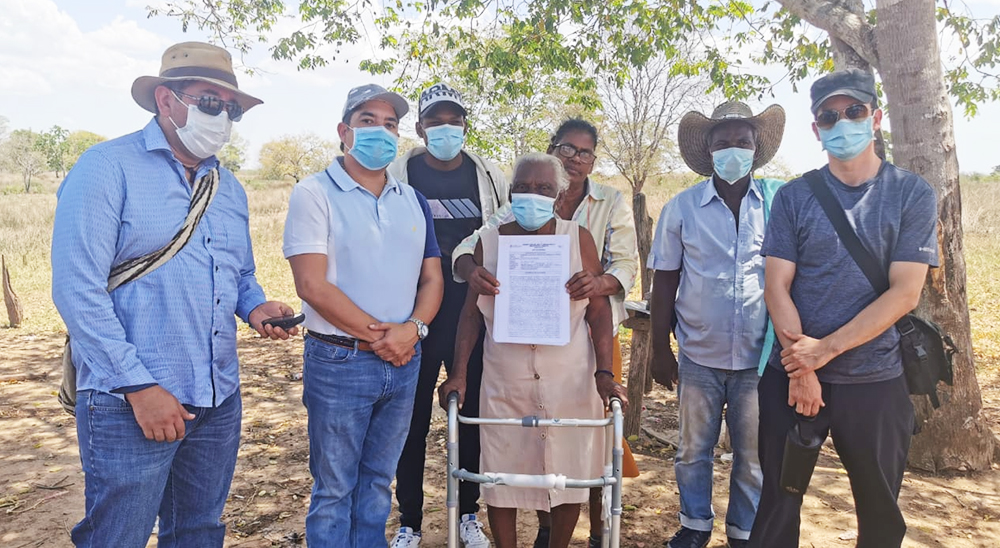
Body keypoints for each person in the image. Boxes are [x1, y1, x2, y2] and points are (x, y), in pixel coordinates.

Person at [51, 41, 297, 548]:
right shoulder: (105, 167)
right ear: (166, 100)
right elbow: (77, 291)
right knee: (118, 534)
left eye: (231, 109)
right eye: (210, 102)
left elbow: (239, 274)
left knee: (199, 531)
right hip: (129, 401)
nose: (223, 117)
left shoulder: (229, 188)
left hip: (217, 395)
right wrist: (139, 388)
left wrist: (255, 306)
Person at [749, 68, 939, 548]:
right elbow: (777, 288)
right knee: (777, 505)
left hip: (874, 381)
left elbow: (905, 292)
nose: (842, 123)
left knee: (879, 513)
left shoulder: (911, 194)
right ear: (816, 130)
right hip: (793, 381)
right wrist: (801, 369)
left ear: (874, 118)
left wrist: (823, 352)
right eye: (829, 117)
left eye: (853, 111)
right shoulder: (794, 197)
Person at [453, 118, 639, 548]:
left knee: (569, 473)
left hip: (569, 374)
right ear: (511, 191)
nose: (530, 196)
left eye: (541, 189)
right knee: (500, 472)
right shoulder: (492, 240)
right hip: (506, 376)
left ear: (556, 196)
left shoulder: (581, 237)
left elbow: (597, 313)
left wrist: (603, 373)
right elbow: (470, 314)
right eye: (523, 187)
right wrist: (460, 373)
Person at [282, 83, 444, 547]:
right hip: (340, 361)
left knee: (378, 482)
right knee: (334, 489)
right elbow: (312, 284)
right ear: (344, 131)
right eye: (368, 121)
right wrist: (384, 338)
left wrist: (411, 331)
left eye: (390, 124)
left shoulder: (412, 200)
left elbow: (431, 279)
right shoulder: (313, 194)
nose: (380, 132)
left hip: (404, 361)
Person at [649, 101, 786, 548]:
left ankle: (744, 532)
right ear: (707, 150)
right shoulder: (682, 208)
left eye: (741, 142)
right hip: (698, 355)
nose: (732, 150)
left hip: (759, 358)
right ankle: (695, 525)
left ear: (755, 147)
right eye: (723, 142)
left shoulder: (777, 204)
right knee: (693, 451)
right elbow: (665, 280)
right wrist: (659, 349)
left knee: (752, 455)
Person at [387, 82, 508, 548]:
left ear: (465, 125)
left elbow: (500, 231)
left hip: (474, 317)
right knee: (411, 422)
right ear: (420, 127)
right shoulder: (400, 173)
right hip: (414, 316)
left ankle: (469, 514)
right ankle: (410, 521)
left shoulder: (488, 175)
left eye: (453, 120)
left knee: (473, 416)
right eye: (435, 120)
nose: (445, 128)